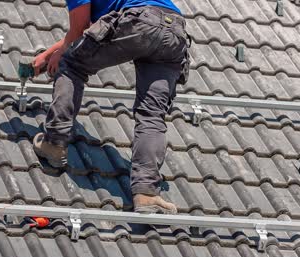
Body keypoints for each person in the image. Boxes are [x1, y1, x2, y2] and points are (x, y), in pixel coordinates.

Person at [32, 0, 189, 214]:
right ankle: (146, 194)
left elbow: (79, 31)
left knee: (71, 65)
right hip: (175, 30)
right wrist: (50, 53)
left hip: (140, 20)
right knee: (151, 114)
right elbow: (90, 33)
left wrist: (60, 55)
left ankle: (54, 142)